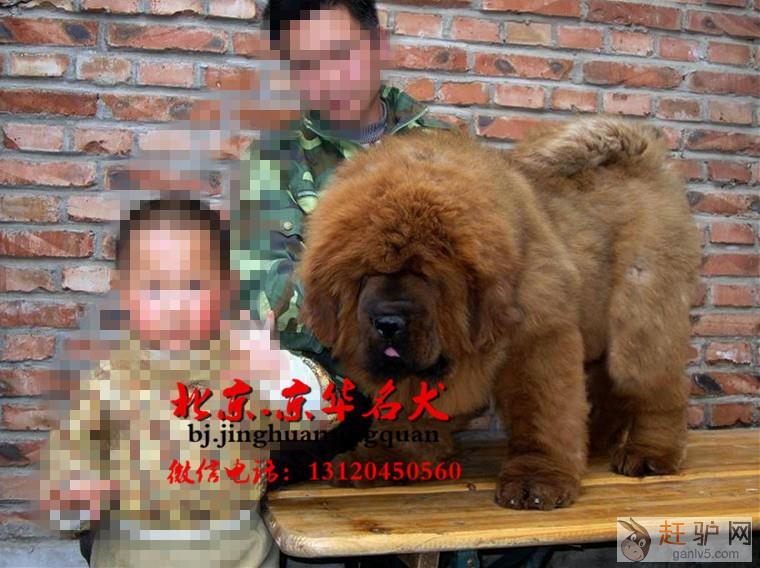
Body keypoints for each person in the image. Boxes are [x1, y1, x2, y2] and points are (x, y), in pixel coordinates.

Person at [40, 198, 335, 567]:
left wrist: (277, 369)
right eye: (154, 287)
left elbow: (318, 418)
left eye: (194, 285)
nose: (175, 306)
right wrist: (76, 497)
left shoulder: (246, 373)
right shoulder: (106, 384)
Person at [235, 0, 453, 384]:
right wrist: (400, 308)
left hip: (435, 390)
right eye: (304, 65)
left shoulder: (450, 151)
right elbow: (265, 297)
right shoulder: (271, 162)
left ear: (379, 44)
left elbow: (479, 289)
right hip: (323, 391)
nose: (328, 78)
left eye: (340, 53)